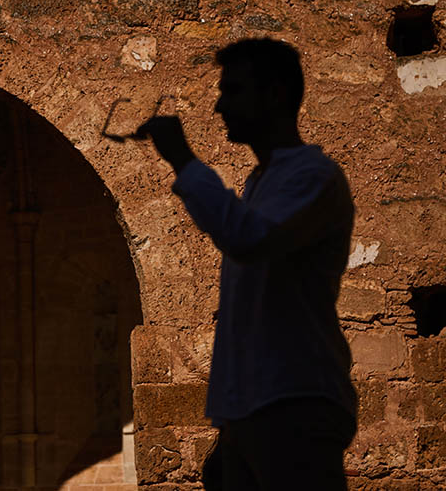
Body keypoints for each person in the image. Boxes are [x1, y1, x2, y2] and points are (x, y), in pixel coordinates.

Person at [138, 38, 357, 491]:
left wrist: (183, 159)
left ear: (275, 95)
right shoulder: (263, 183)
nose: (219, 107)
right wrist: (231, 429)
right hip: (255, 410)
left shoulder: (312, 177)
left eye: (233, 91)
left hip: (295, 402)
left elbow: (247, 239)